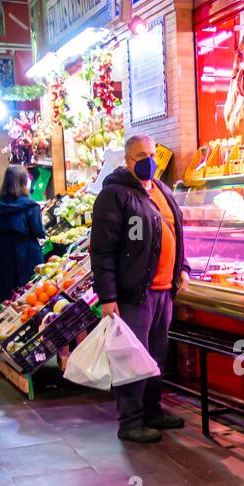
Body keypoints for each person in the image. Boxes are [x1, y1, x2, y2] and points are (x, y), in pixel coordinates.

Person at [89, 133, 190, 443]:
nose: (150, 161)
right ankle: (130, 421)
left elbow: (176, 231)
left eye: (152, 154)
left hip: (164, 292)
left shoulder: (161, 190)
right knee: (133, 357)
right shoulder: (115, 195)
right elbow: (102, 249)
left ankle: (152, 410)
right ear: (128, 161)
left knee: (156, 356)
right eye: (141, 156)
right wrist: (108, 296)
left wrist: (182, 268)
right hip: (134, 293)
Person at [0, 164, 46, 301]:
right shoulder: (31, 205)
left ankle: (8, 319)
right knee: (31, 292)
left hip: (5, 253)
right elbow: (39, 231)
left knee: (8, 293)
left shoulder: (0, 204)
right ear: (23, 181)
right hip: (28, 254)